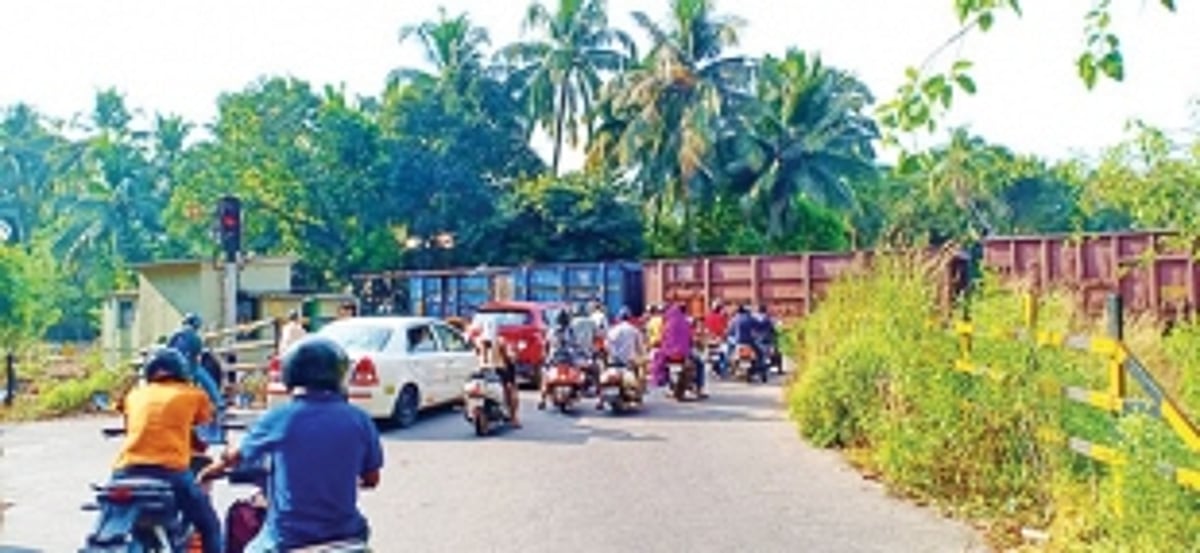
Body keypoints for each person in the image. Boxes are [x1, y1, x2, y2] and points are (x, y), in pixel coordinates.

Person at [200, 336, 384, 552]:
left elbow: (233, 459)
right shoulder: (359, 419)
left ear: (289, 375)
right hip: (346, 535)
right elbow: (372, 479)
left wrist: (206, 473)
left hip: (287, 539)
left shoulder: (278, 417)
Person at [111, 348, 222, 553]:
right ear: (181, 371)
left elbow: (128, 424)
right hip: (169, 472)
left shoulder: (134, 395)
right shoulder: (194, 395)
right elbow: (205, 429)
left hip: (124, 472)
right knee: (210, 526)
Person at [652, 304, 707, 399]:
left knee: (658, 362)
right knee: (700, 364)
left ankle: (666, 384)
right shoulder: (686, 323)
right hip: (684, 355)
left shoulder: (667, 324)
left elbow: (663, 339)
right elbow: (690, 339)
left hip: (668, 355)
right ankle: (699, 388)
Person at [476, 314, 520, 428]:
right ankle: (514, 417)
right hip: (497, 371)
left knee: (509, 388)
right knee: (511, 389)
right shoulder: (499, 341)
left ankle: (513, 417)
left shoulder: (479, 341)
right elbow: (508, 358)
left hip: (485, 371)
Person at [538, 310, 577, 410]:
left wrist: (545, 357)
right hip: (569, 359)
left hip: (554, 359)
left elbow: (546, 346)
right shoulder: (571, 331)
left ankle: (542, 400)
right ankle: (576, 393)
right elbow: (575, 345)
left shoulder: (551, 331)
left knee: (545, 376)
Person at [727, 304, 764, 373]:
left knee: (730, 353)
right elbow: (759, 326)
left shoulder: (734, 319)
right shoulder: (750, 318)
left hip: (738, 341)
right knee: (760, 354)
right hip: (749, 341)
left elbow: (730, 331)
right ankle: (762, 369)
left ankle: (730, 368)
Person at [703, 300, 730, 378]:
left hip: (711, 340)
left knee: (710, 355)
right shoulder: (722, 317)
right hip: (719, 339)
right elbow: (726, 329)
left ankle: (715, 369)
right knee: (725, 355)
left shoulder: (708, 317)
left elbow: (706, 329)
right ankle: (722, 371)